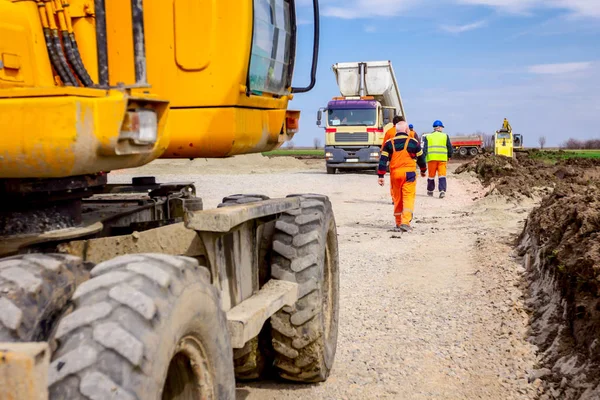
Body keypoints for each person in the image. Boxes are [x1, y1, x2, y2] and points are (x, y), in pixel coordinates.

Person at [377, 126, 427, 232]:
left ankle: (398, 223)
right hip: (409, 174)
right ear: (406, 130)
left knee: (397, 198)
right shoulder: (413, 142)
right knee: (408, 197)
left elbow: (383, 160)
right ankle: (405, 222)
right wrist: (423, 170)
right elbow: (421, 158)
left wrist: (381, 175)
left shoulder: (389, 143)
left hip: (395, 174)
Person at [423, 120, 453, 199]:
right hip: (442, 159)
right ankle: (442, 190)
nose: (442, 129)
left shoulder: (428, 137)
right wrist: (449, 156)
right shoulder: (445, 136)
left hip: (431, 159)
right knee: (442, 175)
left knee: (431, 176)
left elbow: (425, 149)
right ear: (439, 127)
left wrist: (422, 158)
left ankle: (430, 190)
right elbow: (449, 147)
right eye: (442, 127)